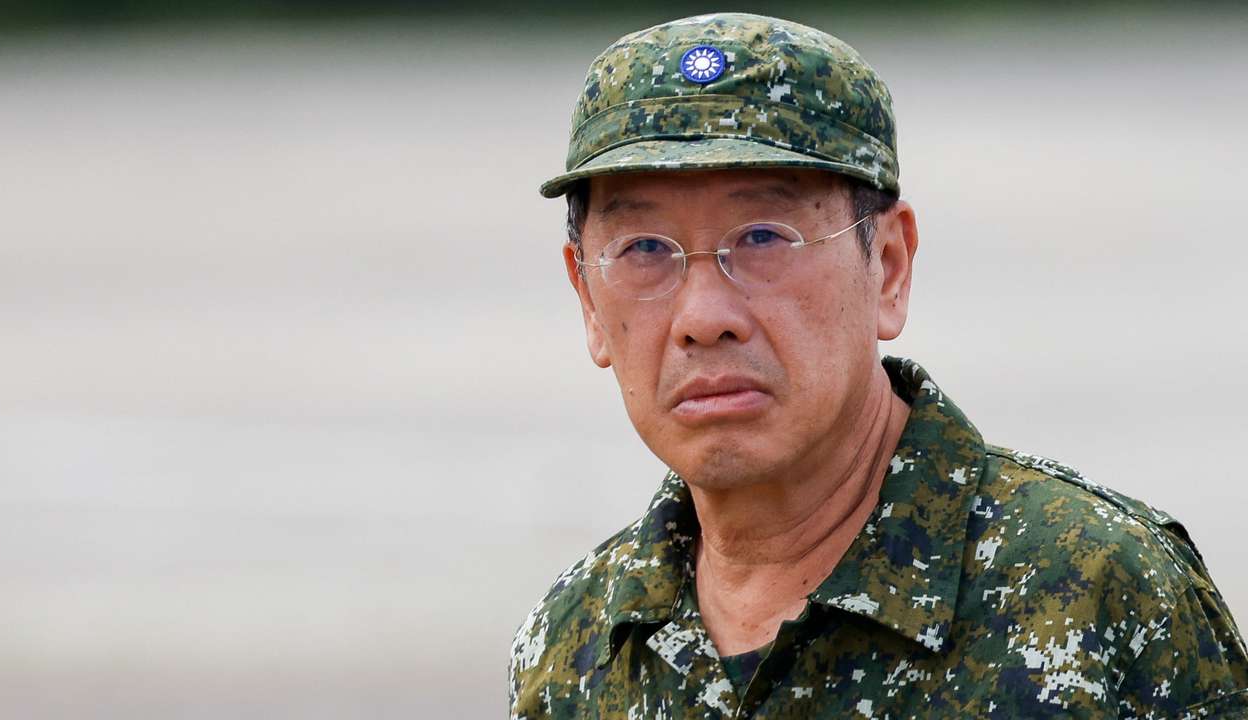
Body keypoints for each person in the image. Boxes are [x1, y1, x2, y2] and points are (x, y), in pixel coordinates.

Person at [509, 12, 1247, 719]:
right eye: (644, 250)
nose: (704, 318)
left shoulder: (1095, 590)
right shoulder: (577, 644)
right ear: (586, 297)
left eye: (764, 238)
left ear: (888, 268)